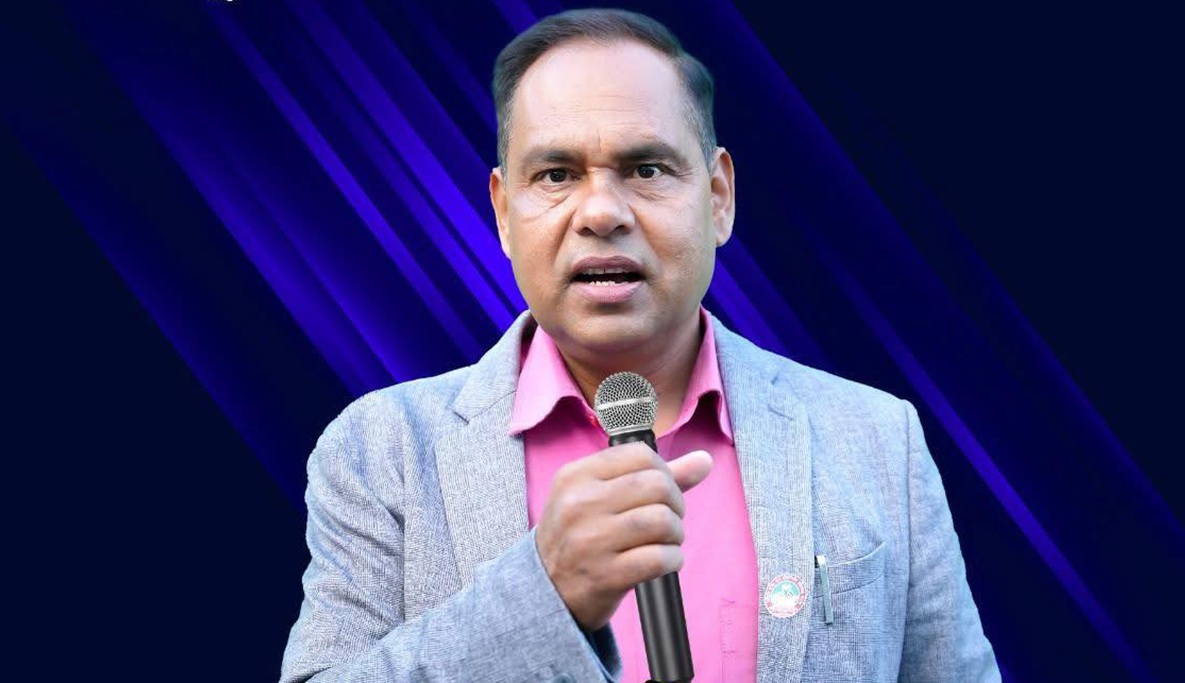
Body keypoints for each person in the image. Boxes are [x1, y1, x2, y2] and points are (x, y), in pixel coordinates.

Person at [280, 8, 1000, 683]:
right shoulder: (382, 452)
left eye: (646, 169)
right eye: (556, 175)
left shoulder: (876, 439)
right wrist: (542, 594)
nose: (600, 212)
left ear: (718, 197)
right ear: (502, 213)